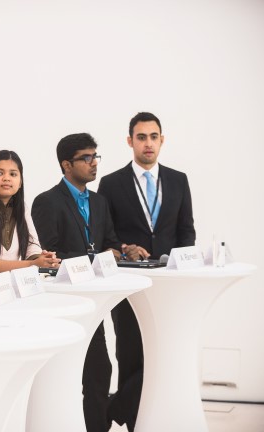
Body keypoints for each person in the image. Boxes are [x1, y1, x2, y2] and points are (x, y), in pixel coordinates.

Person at [31, 133, 146, 432]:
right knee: (69, 375)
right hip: (63, 301)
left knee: (100, 371)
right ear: (66, 165)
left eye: (95, 156)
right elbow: (51, 254)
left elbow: (110, 243)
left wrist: (121, 250)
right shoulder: (46, 202)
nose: (94, 163)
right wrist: (96, 258)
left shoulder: (99, 202)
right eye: (86, 158)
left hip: (95, 300)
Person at [98, 112, 196, 431]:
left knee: (164, 352)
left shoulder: (179, 180)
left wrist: (182, 268)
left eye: (154, 137)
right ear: (130, 141)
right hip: (128, 282)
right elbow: (105, 234)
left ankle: (116, 408)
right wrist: (124, 247)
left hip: (168, 284)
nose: (148, 143)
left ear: (162, 140)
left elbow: (186, 232)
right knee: (129, 352)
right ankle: (132, 422)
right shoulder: (111, 183)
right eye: (141, 137)